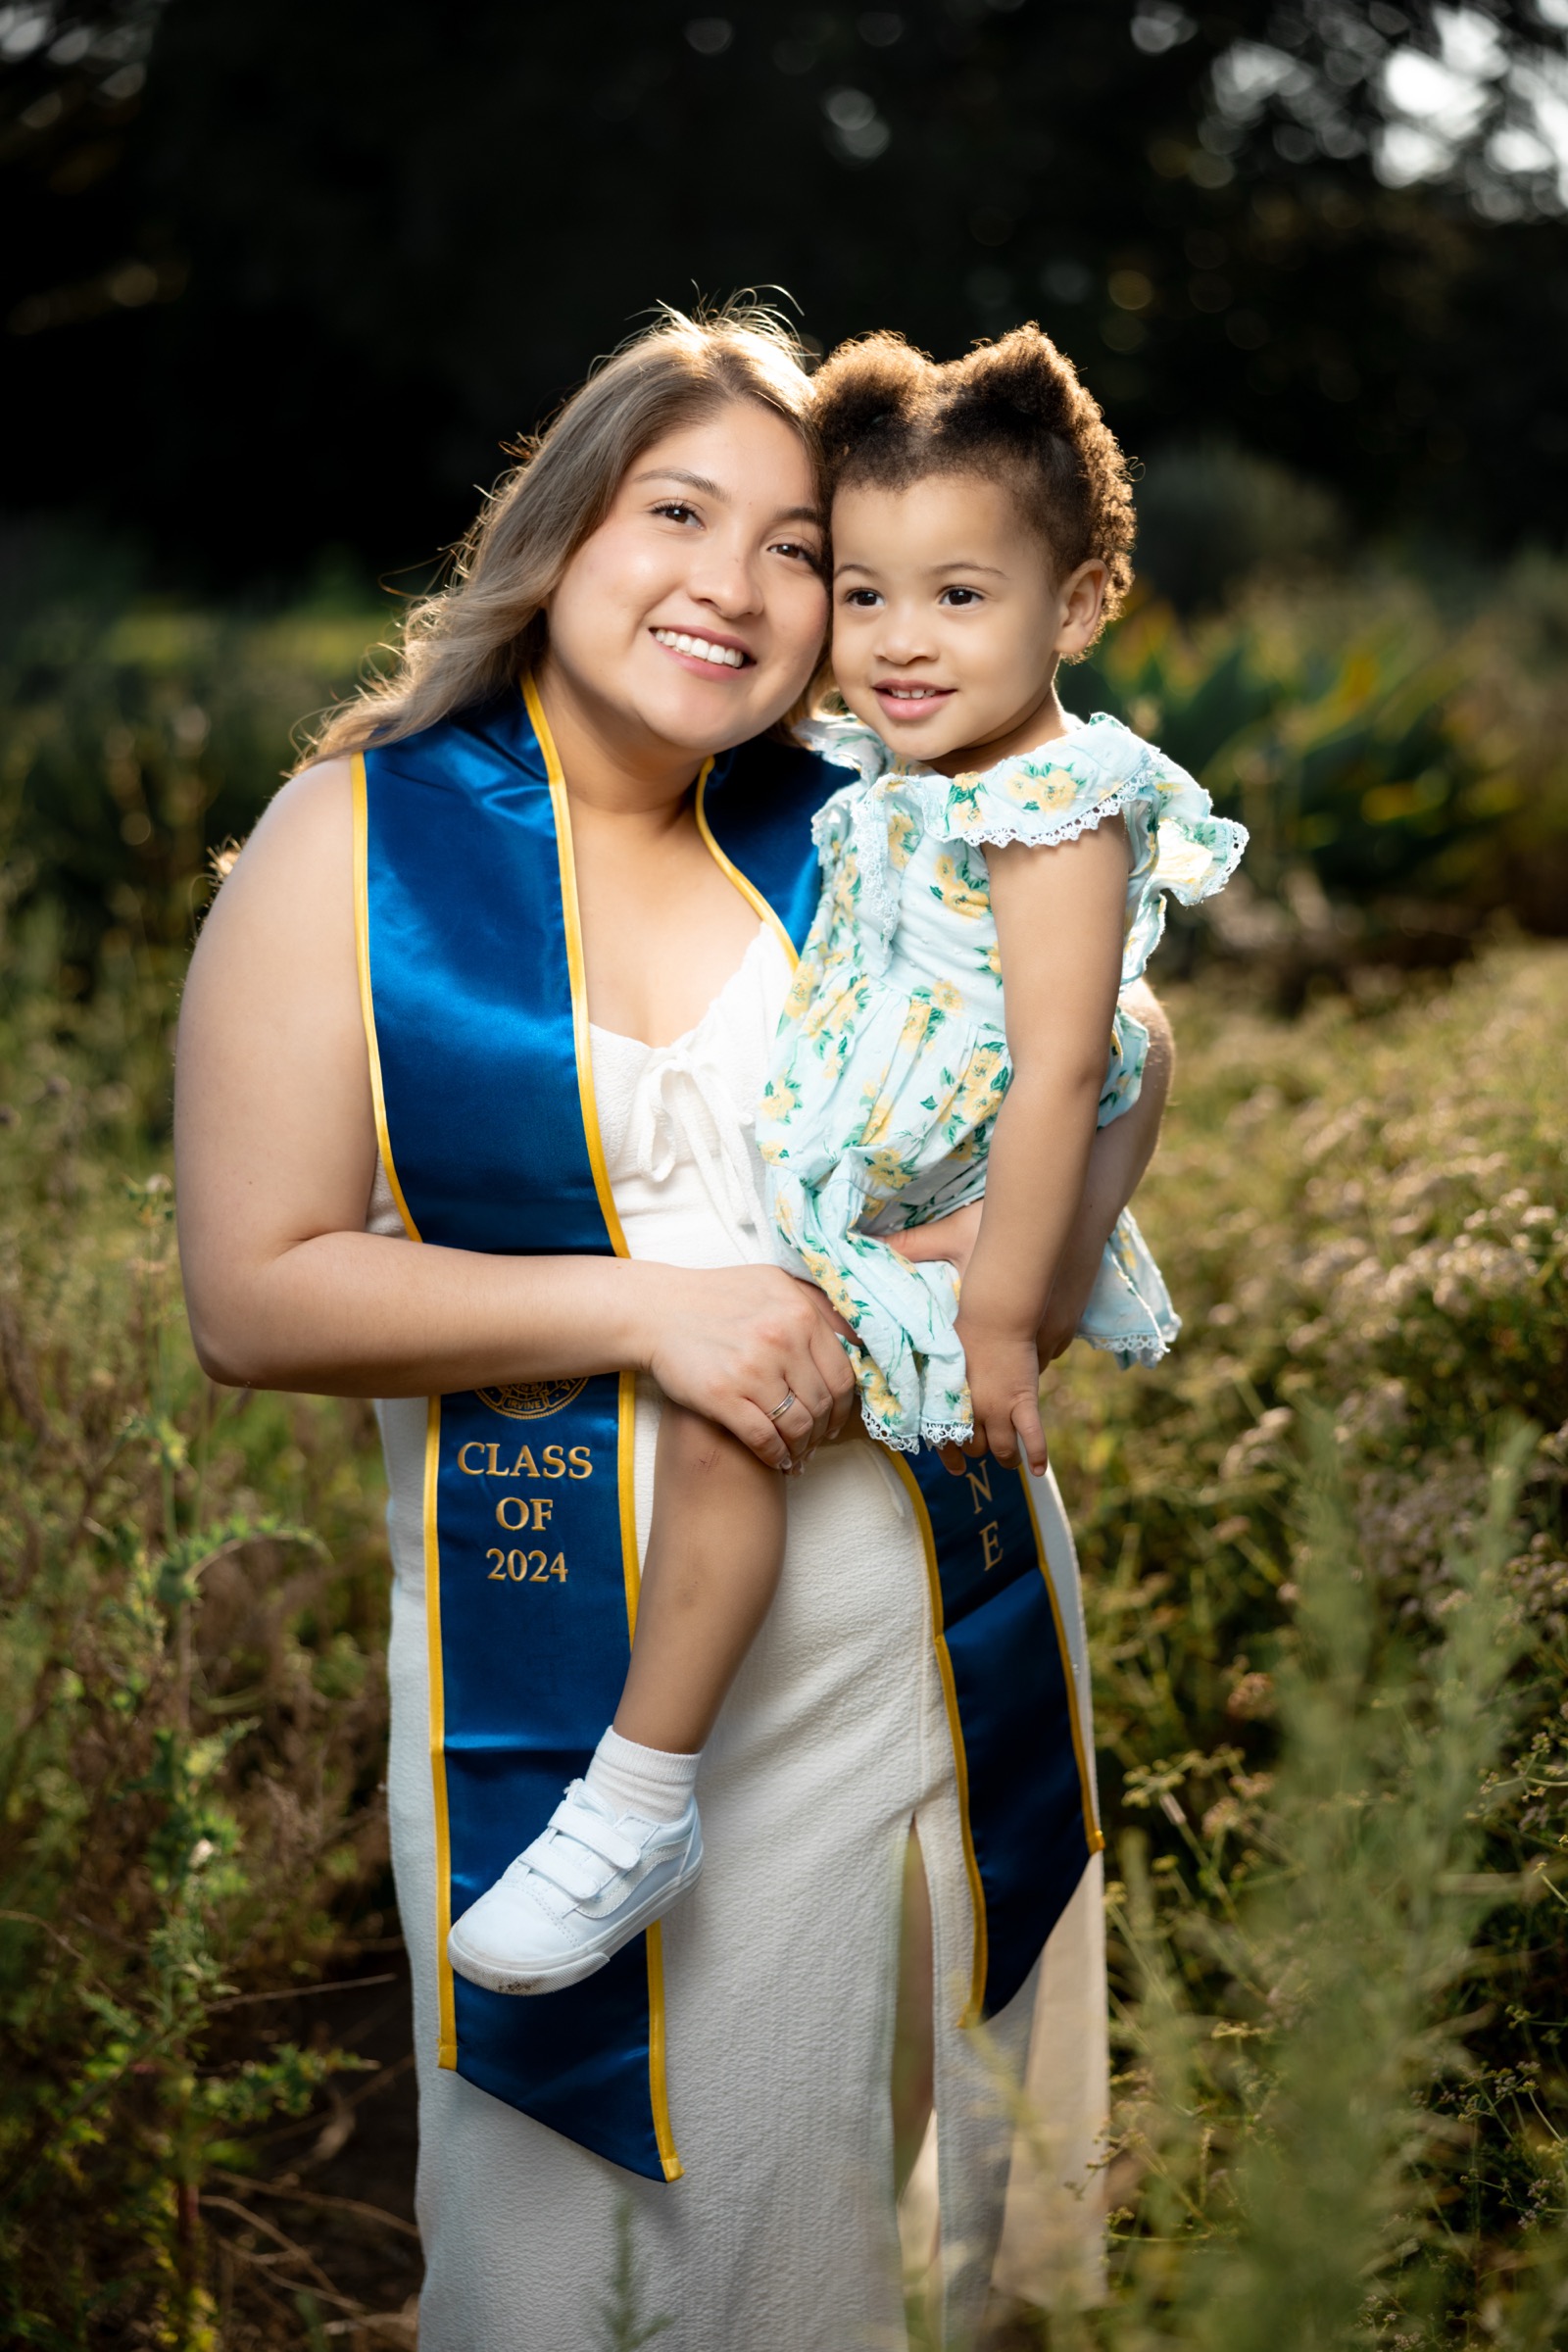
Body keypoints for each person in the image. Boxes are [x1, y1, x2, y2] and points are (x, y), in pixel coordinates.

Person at [174, 304, 1171, 2349]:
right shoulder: (354, 846)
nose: (732, 583)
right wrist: (665, 1316)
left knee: (898, 2259)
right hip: (583, 1715)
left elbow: (1109, 1065)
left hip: (910, 1668)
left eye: (798, 545)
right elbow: (252, 1293)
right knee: (578, 2281)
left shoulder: (869, 823)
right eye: (677, 511)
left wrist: (992, 1264)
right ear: (563, 528)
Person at [451, 322, 1244, 2011]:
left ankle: (635, 1794)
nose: (896, 640)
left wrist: (1006, 1315)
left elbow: (1075, 1067)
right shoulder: (910, 775)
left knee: (742, 1420)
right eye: (864, 592)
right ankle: (643, 1789)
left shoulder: (1055, 800)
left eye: (960, 597)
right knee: (745, 1407)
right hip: (895, 1193)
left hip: (945, 1227)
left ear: (1080, 605)